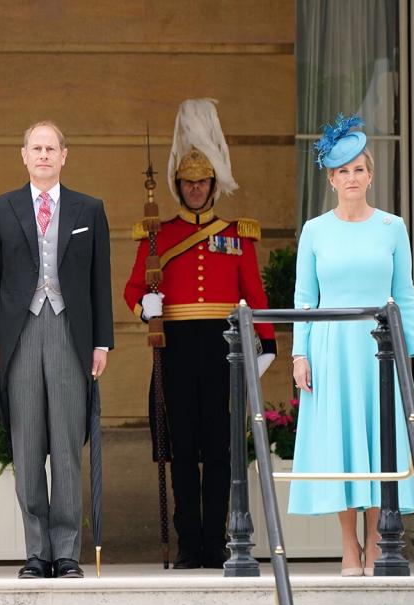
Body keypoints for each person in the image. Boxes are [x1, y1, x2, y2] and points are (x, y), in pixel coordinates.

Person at [124, 98, 276, 569]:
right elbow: (132, 287)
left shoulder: (237, 234)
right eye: (187, 183)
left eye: (202, 182)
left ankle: (220, 542)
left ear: (213, 185)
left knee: (221, 450)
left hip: (222, 349)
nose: (194, 189)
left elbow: (254, 292)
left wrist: (266, 343)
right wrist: (143, 305)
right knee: (182, 449)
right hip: (175, 347)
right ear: (178, 185)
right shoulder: (157, 234)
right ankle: (191, 544)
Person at [289, 114, 414, 577]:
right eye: (343, 171)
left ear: (370, 176)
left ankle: (378, 541)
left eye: (359, 169)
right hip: (332, 349)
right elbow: (303, 299)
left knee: (380, 443)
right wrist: (300, 354)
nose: (352, 178)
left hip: (381, 349)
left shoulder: (392, 227)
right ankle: (348, 546)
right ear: (331, 179)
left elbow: (405, 293)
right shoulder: (315, 230)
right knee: (341, 444)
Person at [0, 121, 113, 579]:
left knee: (66, 445)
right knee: (28, 445)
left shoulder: (89, 210)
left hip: (69, 334)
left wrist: (101, 343)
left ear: (63, 155)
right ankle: (37, 550)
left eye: (50, 148)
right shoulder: (0, 210)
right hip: (19, 336)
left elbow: (100, 280)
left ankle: (67, 551)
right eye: (35, 148)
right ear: (24, 155)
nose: (43, 155)